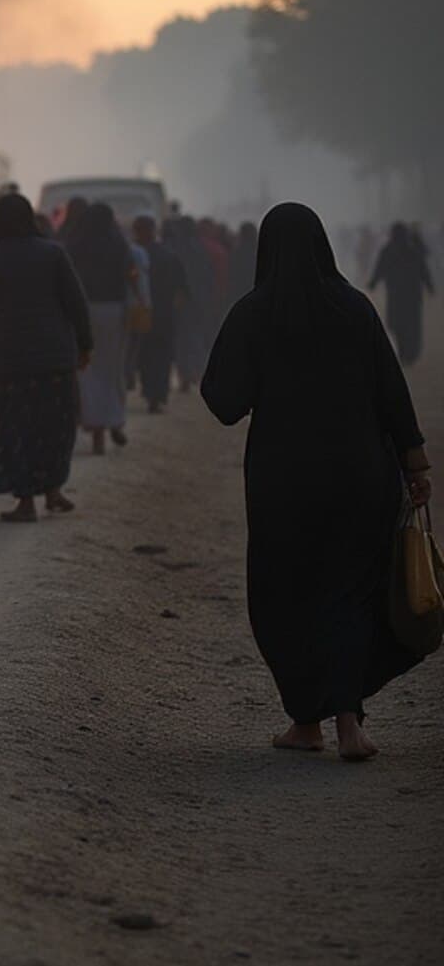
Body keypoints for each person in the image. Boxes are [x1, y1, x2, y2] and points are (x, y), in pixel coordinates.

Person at [202, 203, 431, 762]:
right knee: (350, 593)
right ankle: (350, 724)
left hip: (284, 482)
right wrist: (416, 465)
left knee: (286, 595)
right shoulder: (356, 309)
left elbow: (223, 401)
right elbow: (391, 392)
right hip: (359, 476)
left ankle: (306, 722)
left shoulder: (253, 313)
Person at [0, 194, 93, 523]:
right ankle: (52, 490)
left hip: (10, 362)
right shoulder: (53, 254)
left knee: (16, 429)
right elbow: (76, 303)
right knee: (56, 426)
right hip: (55, 359)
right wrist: (85, 344)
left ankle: (26, 502)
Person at [63, 202, 134, 454]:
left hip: (82, 310)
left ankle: (95, 427)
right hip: (113, 311)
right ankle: (112, 421)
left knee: (86, 368)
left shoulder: (74, 244)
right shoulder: (119, 244)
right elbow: (131, 277)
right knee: (111, 369)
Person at [131, 216, 185, 414]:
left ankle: (150, 393)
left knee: (147, 355)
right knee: (161, 356)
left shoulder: (133, 255)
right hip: (164, 313)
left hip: (144, 312)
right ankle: (157, 395)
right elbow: (182, 288)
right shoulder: (168, 254)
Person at [369, 222, 434, 364]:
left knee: (397, 324)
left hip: (395, 295)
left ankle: (405, 352)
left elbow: (379, 269)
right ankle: (410, 353)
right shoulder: (413, 250)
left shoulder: (388, 250)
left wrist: (373, 283)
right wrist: (430, 286)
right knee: (412, 325)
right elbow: (424, 270)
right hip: (412, 296)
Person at [165, 215, 217, 389]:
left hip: (179, 299)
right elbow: (208, 276)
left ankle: (185, 374)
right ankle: (196, 371)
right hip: (199, 300)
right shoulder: (200, 248)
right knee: (195, 336)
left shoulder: (175, 247)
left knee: (181, 337)